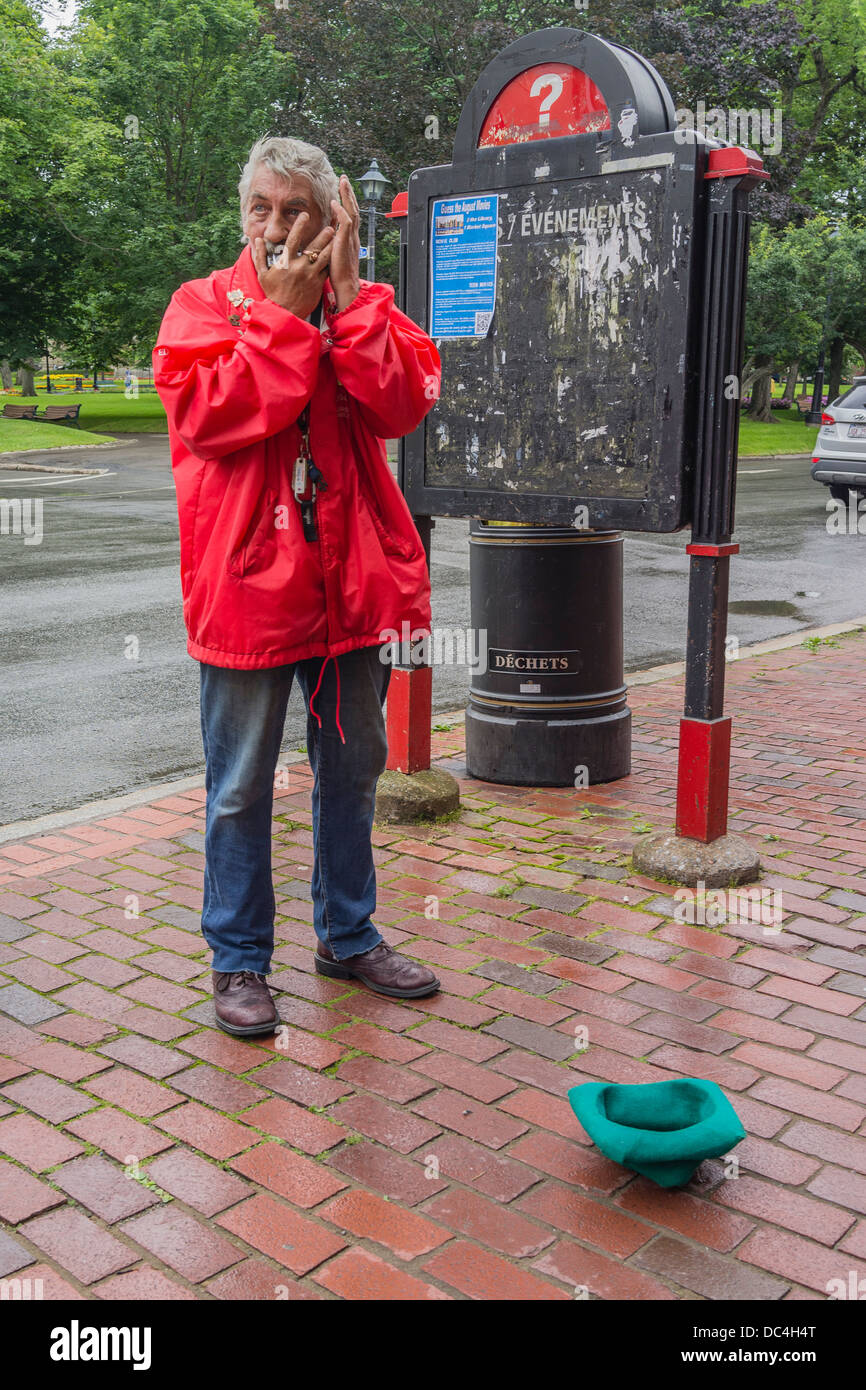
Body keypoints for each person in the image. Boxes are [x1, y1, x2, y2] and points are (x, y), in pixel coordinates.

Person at [153, 136, 442, 1037]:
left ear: (334, 221)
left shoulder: (366, 309)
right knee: (239, 786)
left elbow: (403, 403)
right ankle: (239, 962)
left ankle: (347, 937)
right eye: (261, 209)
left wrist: (349, 303)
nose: (275, 229)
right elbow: (213, 417)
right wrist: (279, 322)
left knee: (352, 776)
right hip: (246, 593)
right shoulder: (202, 307)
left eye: (296, 211)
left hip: (350, 592)